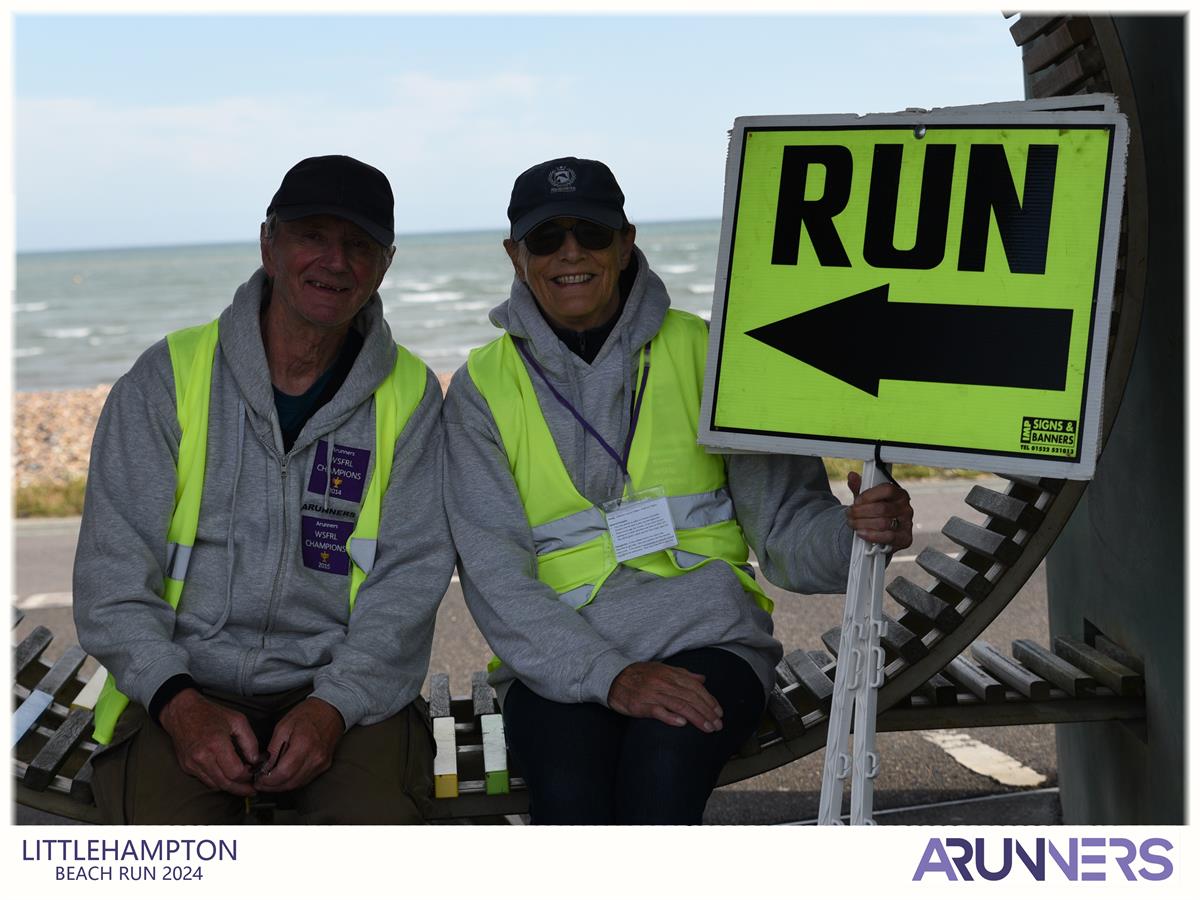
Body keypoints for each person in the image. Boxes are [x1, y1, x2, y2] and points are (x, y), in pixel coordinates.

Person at [443, 156, 914, 825]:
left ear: (627, 240)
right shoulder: (479, 389)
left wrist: (857, 531)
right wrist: (611, 676)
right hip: (556, 651)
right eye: (547, 239)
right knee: (571, 799)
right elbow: (495, 577)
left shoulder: (713, 353)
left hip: (708, 636)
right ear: (515, 255)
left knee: (662, 776)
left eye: (592, 235)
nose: (569, 254)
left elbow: (786, 535)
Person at [73, 155, 454, 825]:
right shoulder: (166, 379)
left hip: (347, 697)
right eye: (313, 235)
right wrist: (179, 705)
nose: (335, 262)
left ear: (385, 264)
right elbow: (111, 580)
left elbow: (408, 581)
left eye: (358, 245)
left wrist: (332, 707)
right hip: (181, 688)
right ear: (268, 244)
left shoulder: (413, 397)